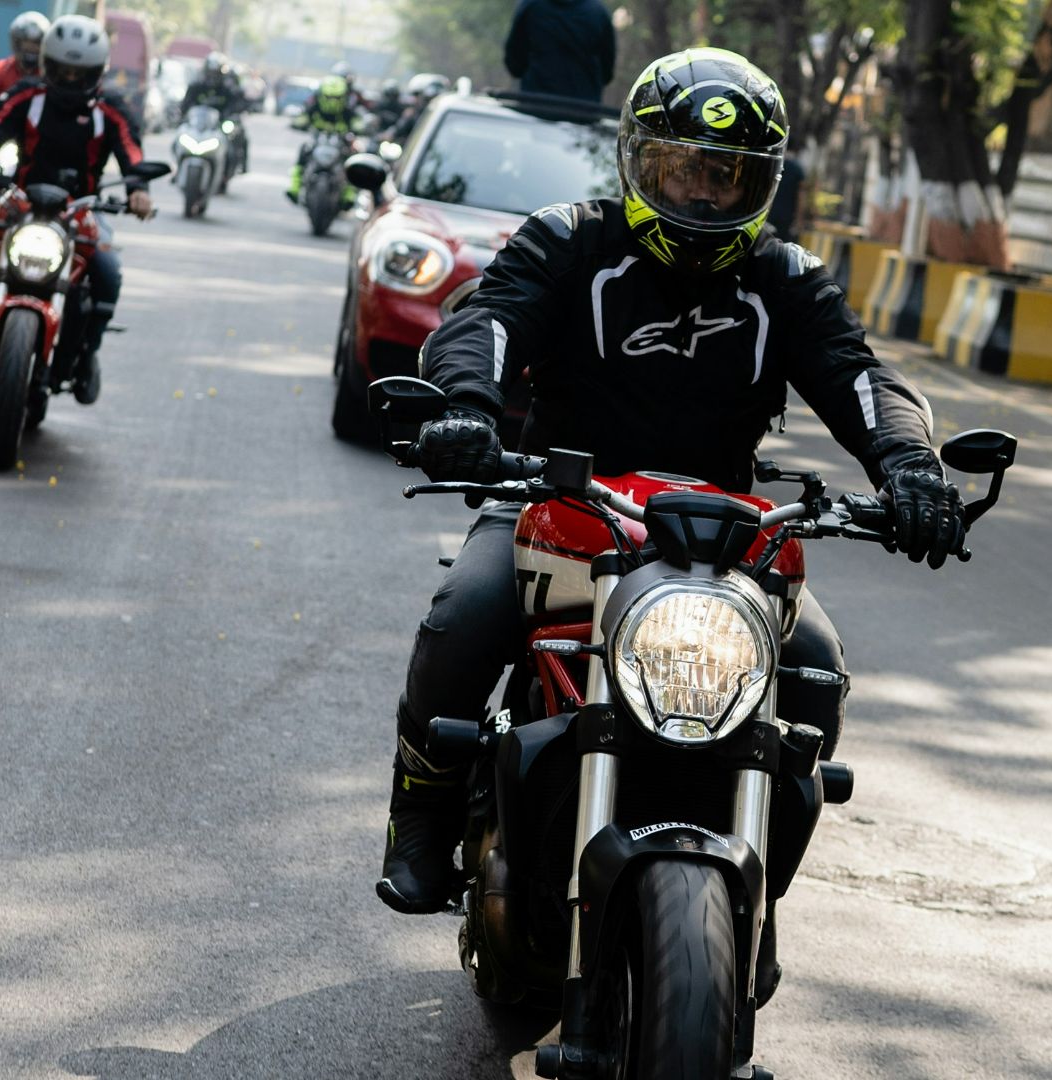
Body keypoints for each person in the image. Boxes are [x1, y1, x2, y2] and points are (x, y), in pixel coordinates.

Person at [374, 47, 964, 959]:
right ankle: (419, 818)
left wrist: (909, 464)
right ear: (637, 160)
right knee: (466, 613)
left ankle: (753, 900)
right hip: (557, 501)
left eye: (727, 175)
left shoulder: (787, 279)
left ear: (760, 183)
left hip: (717, 531)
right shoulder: (569, 239)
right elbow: (486, 320)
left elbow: (858, 377)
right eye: (681, 167)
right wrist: (465, 406)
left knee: (812, 667)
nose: (701, 193)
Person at [0, 15, 155, 403]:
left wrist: (138, 190)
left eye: (81, 73)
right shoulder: (27, 95)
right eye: (63, 71)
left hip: (82, 210)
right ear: (47, 65)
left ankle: (87, 355)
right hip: (21, 201)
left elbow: (132, 152)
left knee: (108, 272)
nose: (71, 81)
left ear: (97, 71)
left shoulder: (111, 110)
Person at [503, 0, 615, 103]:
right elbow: (606, 72)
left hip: (535, 106)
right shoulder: (598, 12)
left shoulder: (531, 6)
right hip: (583, 112)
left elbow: (514, 64)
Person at [287, 74, 359, 204]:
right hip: (319, 140)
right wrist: (298, 123)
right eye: (329, 97)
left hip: (340, 142)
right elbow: (302, 117)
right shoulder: (315, 106)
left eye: (336, 98)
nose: (332, 101)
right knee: (304, 151)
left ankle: (349, 194)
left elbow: (358, 122)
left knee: (353, 157)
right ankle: (295, 188)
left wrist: (361, 128)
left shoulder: (348, 110)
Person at [182, 53, 250, 171]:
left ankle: (239, 166)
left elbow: (238, 104)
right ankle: (178, 166)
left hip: (219, 127)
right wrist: (183, 114)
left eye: (216, 73)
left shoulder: (228, 89)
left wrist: (234, 116)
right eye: (210, 72)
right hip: (200, 125)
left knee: (239, 137)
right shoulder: (197, 86)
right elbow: (186, 103)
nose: (212, 76)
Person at [380, 72, 448, 144]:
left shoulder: (445, 119)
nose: (415, 99)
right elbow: (399, 129)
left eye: (417, 95)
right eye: (415, 95)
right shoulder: (411, 114)